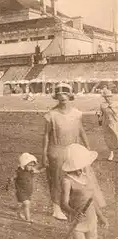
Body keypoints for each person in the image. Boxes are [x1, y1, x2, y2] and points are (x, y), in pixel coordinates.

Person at [42, 82, 89, 220]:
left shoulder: (77, 113)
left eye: (65, 93)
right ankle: (56, 208)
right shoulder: (51, 115)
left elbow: (81, 130)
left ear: (70, 95)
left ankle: (71, 206)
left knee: (75, 178)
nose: (62, 96)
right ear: (56, 96)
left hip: (74, 150)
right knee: (56, 180)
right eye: (59, 93)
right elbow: (45, 135)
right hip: (56, 150)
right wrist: (44, 154)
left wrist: (87, 148)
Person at [61, 143, 108, 239]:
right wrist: (73, 212)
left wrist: (101, 216)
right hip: (77, 222)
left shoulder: (87, 178)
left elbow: (92, 200)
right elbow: (64, 203)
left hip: (92, 220)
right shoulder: (67, 181)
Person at [7, 153, 45, 223]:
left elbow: (38, 171)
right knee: (27, 204)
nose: (31, 167)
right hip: (21, 191)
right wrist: (11, 179)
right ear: (24, 164)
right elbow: (13, 176)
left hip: (28, 192)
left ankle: (18, 212)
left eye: (32, 165)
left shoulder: (31, 171)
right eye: (29, 165)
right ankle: (28, 220)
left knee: (22, 204)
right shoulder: (19, 171)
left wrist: (43, 169)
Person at [97, 89, 117, 161]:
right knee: (108, 138)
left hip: (115, 123)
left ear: (111, 96)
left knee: (117, 137)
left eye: (109, 96)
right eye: (105, 97)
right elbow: (101, 113)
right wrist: (99, 115)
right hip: (106, 123)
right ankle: (111, 153)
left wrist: (112, 108)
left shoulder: (116, 104)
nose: (107, 98)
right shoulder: (102, 105)